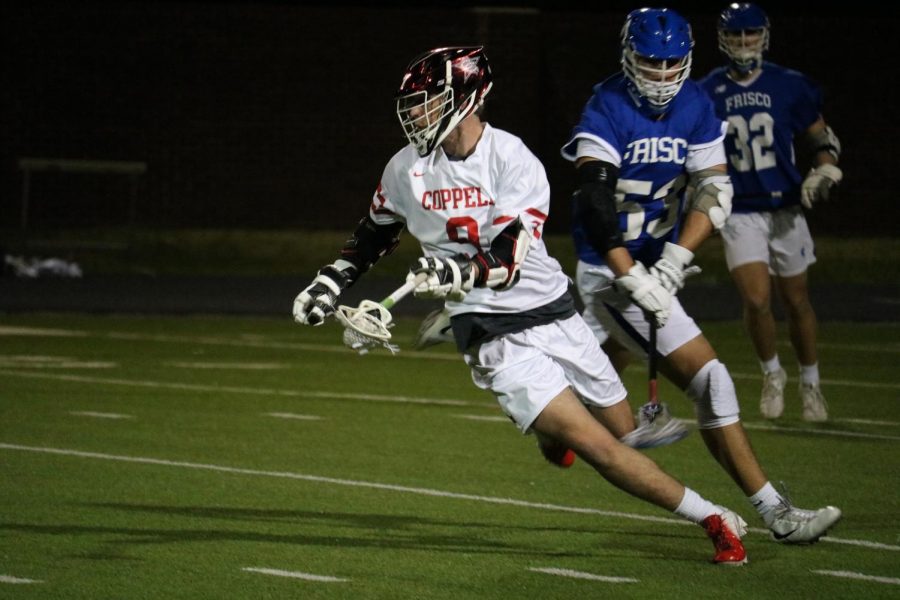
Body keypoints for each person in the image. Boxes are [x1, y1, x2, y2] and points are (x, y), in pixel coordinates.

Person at [293, 45, 749, 565]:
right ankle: (714, 518)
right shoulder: (405, 169)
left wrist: (456, 271)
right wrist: (330, 280)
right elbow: (373, 233)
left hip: (549, 306)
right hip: (488, 327)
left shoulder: (513, 159)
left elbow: (508, 256)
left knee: (625, 429)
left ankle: (553, 437)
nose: (414, 113)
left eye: (427, 101)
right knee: (603, 448)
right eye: (412, 104)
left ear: (468, 97)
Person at [558, 8, 841, 544]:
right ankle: (776, 513)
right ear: (628, 56)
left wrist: (675, 260)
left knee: (608, 387)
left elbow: (713, 190)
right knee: (711, 380)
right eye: (650, 62)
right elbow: (596, 204)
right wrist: (632, 275)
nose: (662, 74)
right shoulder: (606, 105)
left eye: (672, 63)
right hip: (608, 270)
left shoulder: (695, 105)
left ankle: (561, 427)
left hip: (653, 266)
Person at [698, 3, 840, 422]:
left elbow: (819, 135)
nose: (745, 44)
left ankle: (810, 382)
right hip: (741, 209)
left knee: (797, 301)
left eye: (752, 35)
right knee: (757, 298)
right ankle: (772, 373)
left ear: (764, 36)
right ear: (724, 40)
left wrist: (826, 166)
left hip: (786, 208)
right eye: (738, 36)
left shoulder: (788, 85)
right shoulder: (707, 91)